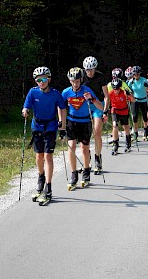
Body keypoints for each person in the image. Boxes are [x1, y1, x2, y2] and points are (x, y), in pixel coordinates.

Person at [22, 66, 66, 204]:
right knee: (39, 155)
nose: (41, 82)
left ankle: (48, 186)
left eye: (44, 79)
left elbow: (63, 109)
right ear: (36, 81)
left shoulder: (55, 93)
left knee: (48, 156)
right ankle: (40, 179)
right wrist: (25, 111)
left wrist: (62, 126)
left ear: (49, 79)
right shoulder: (33, 92)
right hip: (37, 126)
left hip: (51, 127)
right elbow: (26, 106)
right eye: (38, 80)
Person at [62, 67, 103, 190]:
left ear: (81, 80)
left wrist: (92, 99)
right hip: (71, 121)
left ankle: (86, 171)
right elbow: (61, 107)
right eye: (73, 81)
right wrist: (61, 124)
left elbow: (100, 107)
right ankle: (74, 174)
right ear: (70, 81)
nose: (75, 84)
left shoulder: (87, 90)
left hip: (85, 122)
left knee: (84, 149)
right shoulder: (66, 92)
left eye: (78, 81)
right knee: (72, 146)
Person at [82, 56, 108, 175]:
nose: (90, 72)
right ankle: (87, 160)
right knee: (85, 134)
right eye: (87, 70)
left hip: (98, 105)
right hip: (86, 106)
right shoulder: (82, 78)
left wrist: (106, 111)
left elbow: (106, 96)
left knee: (97, 131)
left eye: (92, 69)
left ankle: (98, 157)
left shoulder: (100, 77)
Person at [105, 77, 135, 155]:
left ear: (120, 87)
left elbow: (133, 100)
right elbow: (107, 100)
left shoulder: (124, 93)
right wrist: (106, 109)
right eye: (114, 88)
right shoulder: (111, 93)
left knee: (126, 127)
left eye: (118, 88)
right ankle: (115, 145)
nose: (116, 90)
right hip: (115, 111)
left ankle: (128, 143)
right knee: (115, 125)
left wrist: (129, 95)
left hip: (124, 111)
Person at [126, 65, 148, 141]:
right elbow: (127, 89)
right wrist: (128, 93)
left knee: (144, 117)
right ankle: (135, 133)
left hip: (143, 100)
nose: (136, 76)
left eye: (138, 74)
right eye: (134, 74)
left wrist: (147, 86)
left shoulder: (144, 80)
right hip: (135, 100)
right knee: (134, 117)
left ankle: (146, 132)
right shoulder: (131, 81)